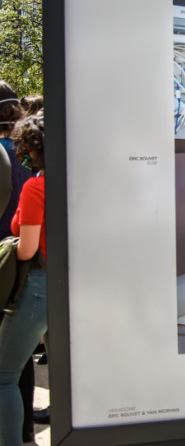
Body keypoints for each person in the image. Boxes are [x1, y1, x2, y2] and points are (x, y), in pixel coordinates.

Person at [0, 113, 46, 446]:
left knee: (3, 377)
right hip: (80, 285)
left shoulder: (36, 187)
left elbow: (28, 249)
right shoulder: (84, 181)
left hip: (39, 288)